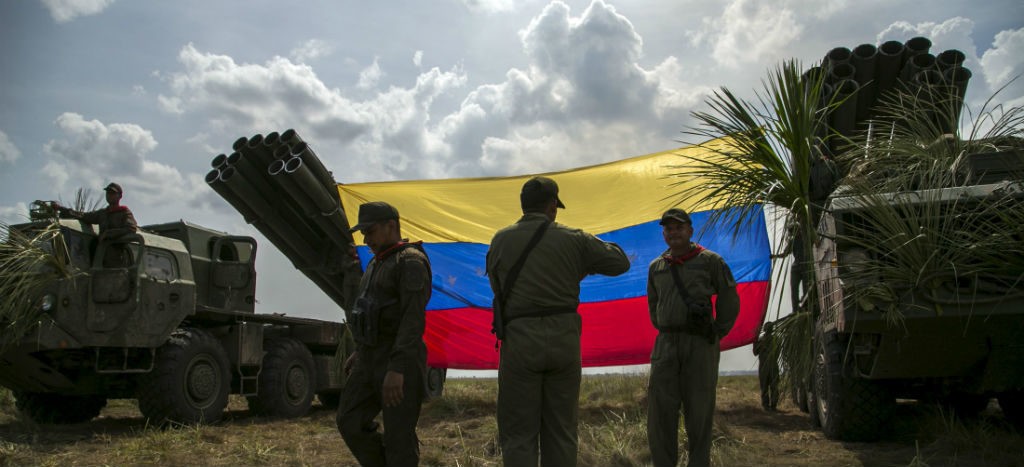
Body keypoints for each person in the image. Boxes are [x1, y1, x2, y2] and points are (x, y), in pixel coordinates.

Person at [486, 176, 630, 467]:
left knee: (518, 434)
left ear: (523, 205)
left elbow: (497, 285)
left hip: (519, 339)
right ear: (553, 205)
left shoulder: (501, 239)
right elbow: (620, 261)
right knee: (562, 432)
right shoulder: (574, 238)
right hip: (564, 339)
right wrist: (580, 262)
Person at [336, 201, 432, 467]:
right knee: (349, 421)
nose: (366, 239)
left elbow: (412, 320)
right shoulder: (376, 264)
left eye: (370, 231)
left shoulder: (410, 261)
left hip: (399, 362)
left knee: (399, 439)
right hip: (369, 359)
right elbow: (370, 312)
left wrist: (397, 369)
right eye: (363, 233)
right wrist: (360, 351)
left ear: (392, 226)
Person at [647, 208, 740, 467]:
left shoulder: (711, 261)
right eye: (668, 228)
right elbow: (653, 303)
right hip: (666, 346)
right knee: (660, 414)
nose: (673, 232)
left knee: (699, 413)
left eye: (678, 227)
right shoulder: (656, 266)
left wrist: (717, 331)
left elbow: (729, 299)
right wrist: (666, 326)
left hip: (700, 344)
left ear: (690, 230)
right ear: (664, 234)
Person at [57, 182, 139, 267]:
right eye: (108, 193)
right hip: (101, 257)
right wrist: (61, 208)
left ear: (120, 196)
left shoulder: (124, 213)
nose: (109, 195)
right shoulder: (103, 213)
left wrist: (108, 234)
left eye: (113, 193)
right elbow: (83, 216)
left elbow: (131, 228)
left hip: (117, 259)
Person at [753, 321, 780, 411]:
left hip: (765, 366)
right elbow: (777, 353)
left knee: (766, 387)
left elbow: (755, 352)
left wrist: (755, 340)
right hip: (772, 366)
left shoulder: (761, 340)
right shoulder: (776, 339)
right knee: (772, 387)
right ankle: (772, 406)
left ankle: (767, 406)